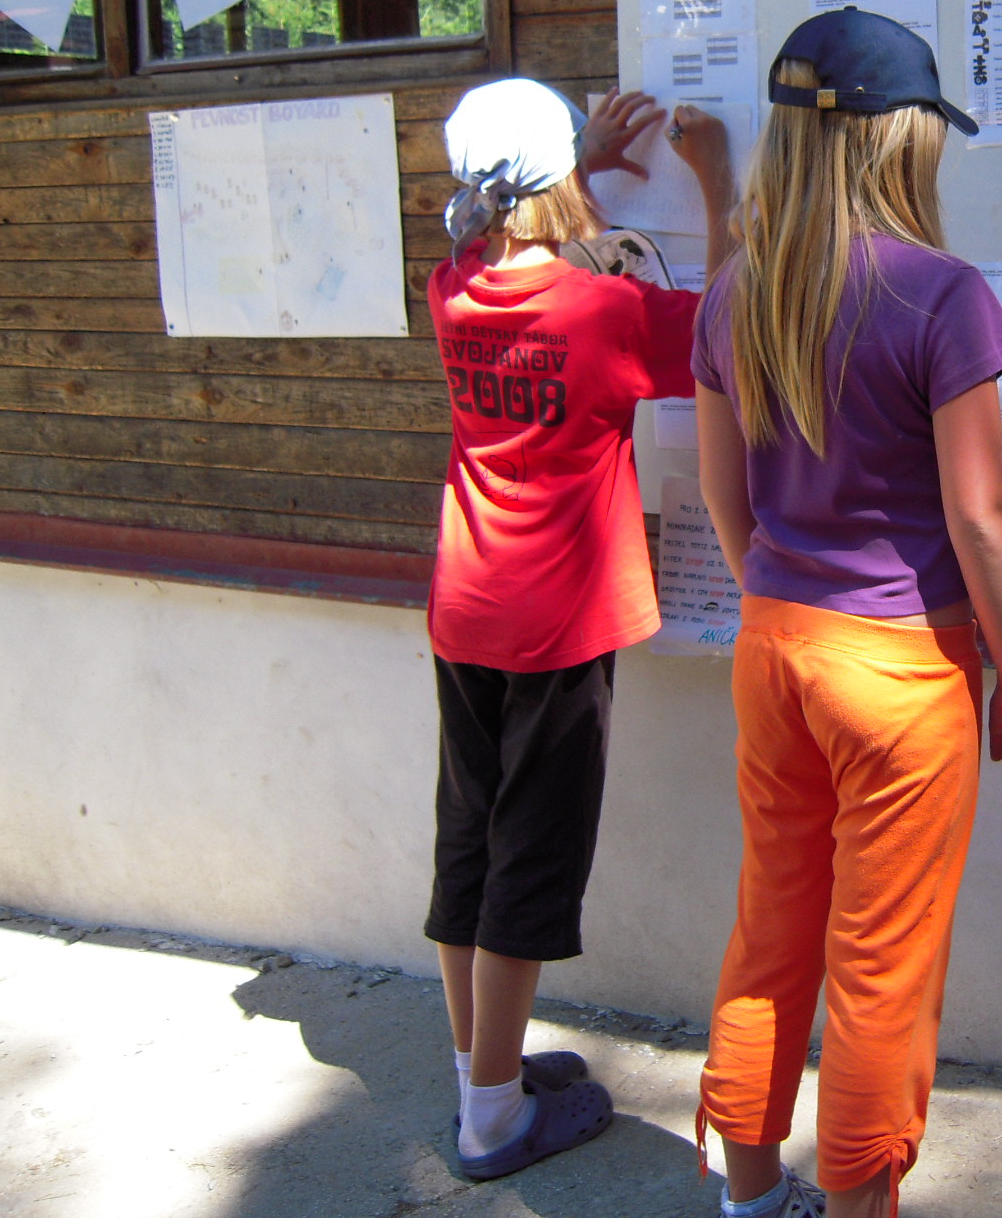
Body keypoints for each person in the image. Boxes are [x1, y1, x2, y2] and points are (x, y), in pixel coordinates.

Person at [691, 7, 1002, 1218]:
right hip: (901, 671)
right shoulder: (940, 295)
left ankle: (749, 1195)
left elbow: (723, 495)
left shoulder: (734, 291)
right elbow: (981, 519)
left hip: (775, 645)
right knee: (880, 970)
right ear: (901, 140)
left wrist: (774, 597)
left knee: (770, 927)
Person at [425, 77, 732, 1181]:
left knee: (470, 842)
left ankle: (484, 1071)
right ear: (560, 176)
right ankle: (493, 1123)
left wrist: (580, 163)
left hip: (466, 605)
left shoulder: (453, 287)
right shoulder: (605, 311)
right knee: (532, 860)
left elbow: (506, 232)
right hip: (557, 621)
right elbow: (727, 323)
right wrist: (716, 185)